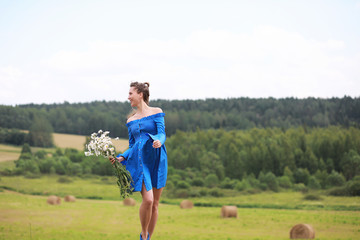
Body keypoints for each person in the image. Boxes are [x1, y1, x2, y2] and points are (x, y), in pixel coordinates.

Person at [109, 82, 167, 240]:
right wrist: (122, 156)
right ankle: (143, 233)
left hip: (157, 160)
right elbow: (133, 145)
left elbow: (162, 134)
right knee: (148, 200)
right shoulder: (130, 120)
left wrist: (159, 141)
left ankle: (148, 238)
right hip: (140, 162)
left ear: (140, 94)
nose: (128, 97)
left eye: (130, 94)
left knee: (155, 204)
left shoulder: (157, 112)